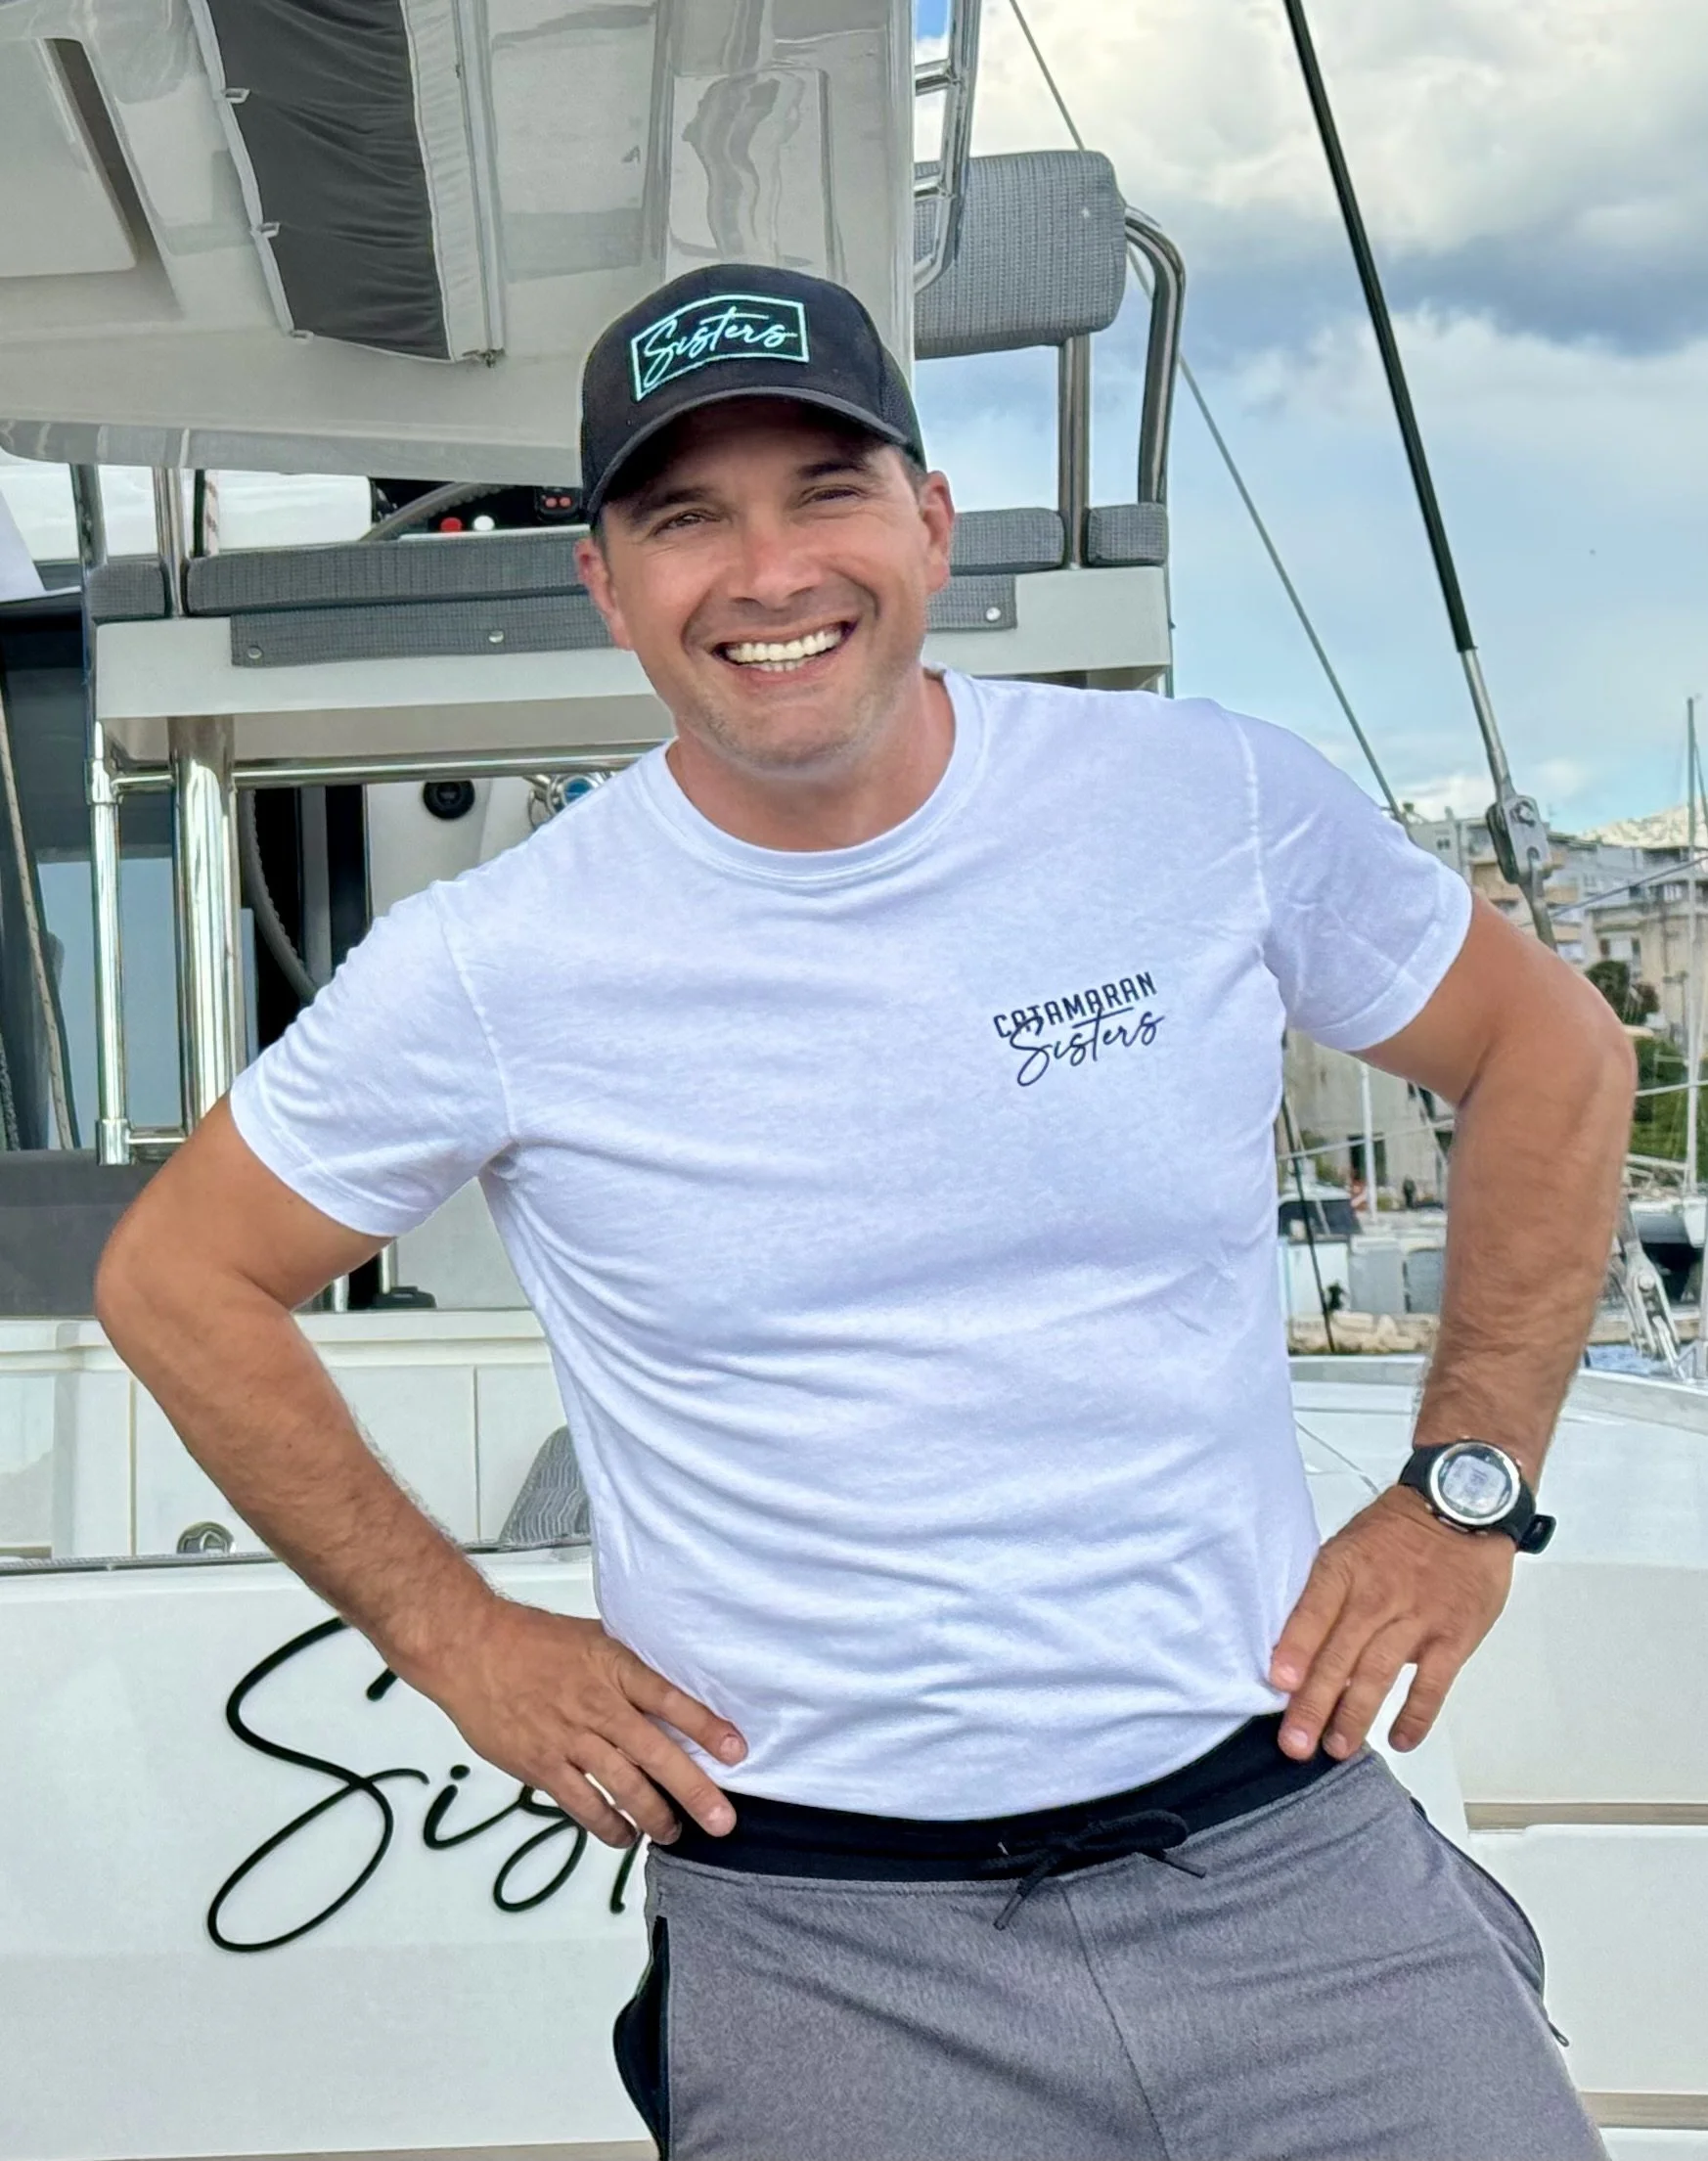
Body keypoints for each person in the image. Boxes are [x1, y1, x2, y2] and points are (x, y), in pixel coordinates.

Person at [96, 263, 1629, 2161]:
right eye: (683, 518)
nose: (765, 571)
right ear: (604, 581)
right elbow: (182, 1275)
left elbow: (1550, 1055)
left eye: (824, 488)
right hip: (828, 1948)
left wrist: (1465, 1493)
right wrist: (470, 1648)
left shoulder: (1201, 802)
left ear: (928, 518)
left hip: (1286, 1855)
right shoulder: (501, 964)